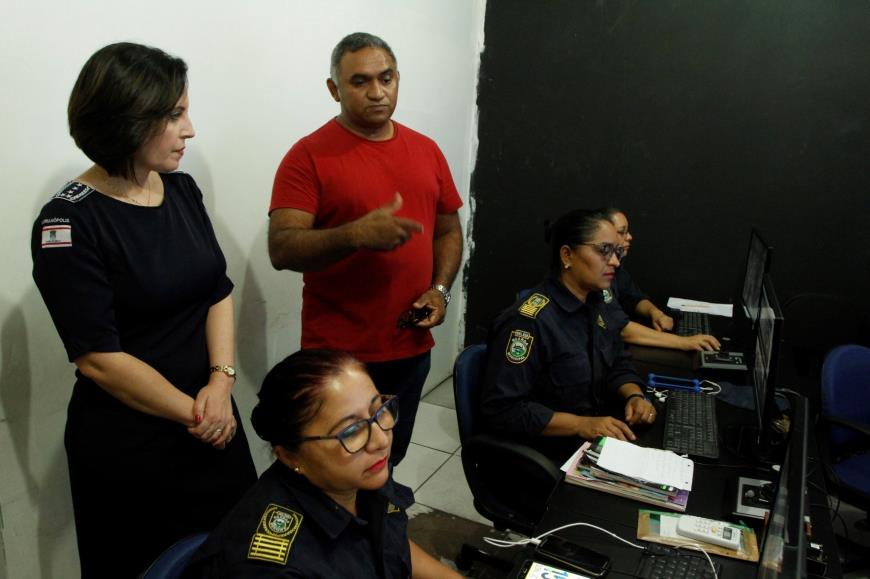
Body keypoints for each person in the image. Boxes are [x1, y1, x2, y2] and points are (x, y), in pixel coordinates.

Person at [30, 42, 256, 577]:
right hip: (134, 444)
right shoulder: (67, 223)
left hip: (212, 418)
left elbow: (217, 290)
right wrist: (197, 413)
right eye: (174, 115)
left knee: (234, 555)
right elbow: (98, 358)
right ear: (127, 119)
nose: (190, 130)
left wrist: (221, 382)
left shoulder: (181, 190)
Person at [268, 32, 463, 465]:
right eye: (360, 81)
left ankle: (382, 512)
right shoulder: (307, 156)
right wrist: (354, 235)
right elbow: (281, 248)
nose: (377, 92)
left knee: (388, 459)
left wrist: (440, 290)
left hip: (410, 347)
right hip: (337, 357)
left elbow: (448, 231)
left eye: (386, 78)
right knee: (338, 468)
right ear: (334, 89)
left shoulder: (427, 150)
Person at [184, 349, 463, 578]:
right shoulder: (274, 568)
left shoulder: (358, 475)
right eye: (351, 431)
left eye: (379, 409)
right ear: (290, 456)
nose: (380, 440)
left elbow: (389, 543)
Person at [479, 209, 657, 464]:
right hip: (546, 453)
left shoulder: (596, 303)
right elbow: (502, 410)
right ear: (567, 255)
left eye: (617, 252)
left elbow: (618, 359)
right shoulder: (528, 322)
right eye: (604, 250)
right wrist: (581, 425)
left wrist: (634, 396)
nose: (615, 262)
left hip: (592, 436)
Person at [604, 208, 720, 352]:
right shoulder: (599, 275)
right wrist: (683, 342)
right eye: (622, 232)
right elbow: (620, 328)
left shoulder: (617, 268)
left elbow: (633, 297)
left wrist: (655, 313)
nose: (629, 237)